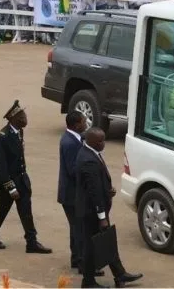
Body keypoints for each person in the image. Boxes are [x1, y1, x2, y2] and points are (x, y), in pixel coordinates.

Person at [76, 128, 142, 288]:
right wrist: (102, 216)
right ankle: (88, 282)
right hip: (91, 212)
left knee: (107, 241)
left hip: (95, 210)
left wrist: (107, 191)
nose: (103, 144)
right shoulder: (88, 160)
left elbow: (98, 186)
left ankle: (120, 274)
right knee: (91, 247)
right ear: (91, 141)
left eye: (103, 140)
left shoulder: (90, 152)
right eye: (100, 141)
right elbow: (94, 192)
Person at [0, 101, 52, 254]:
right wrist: (10, 186)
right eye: (22, 116)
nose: (25, 119)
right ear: (13, 118)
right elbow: (2, 165)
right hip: (7, 181)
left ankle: (31, 242)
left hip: (21, 179)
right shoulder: (2, 137)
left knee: (26, 211)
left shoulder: (19, 131)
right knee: (2, 210)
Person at [59, 111, 101, 276]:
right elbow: (73, 170)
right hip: (71, 195)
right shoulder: (70, 143)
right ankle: (84, 265)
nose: (86, 123)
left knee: (76, 229)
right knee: (80, 230)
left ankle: (77, 259)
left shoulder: (77, 138)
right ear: (77, 125)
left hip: (73, 194)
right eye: (84, 121)